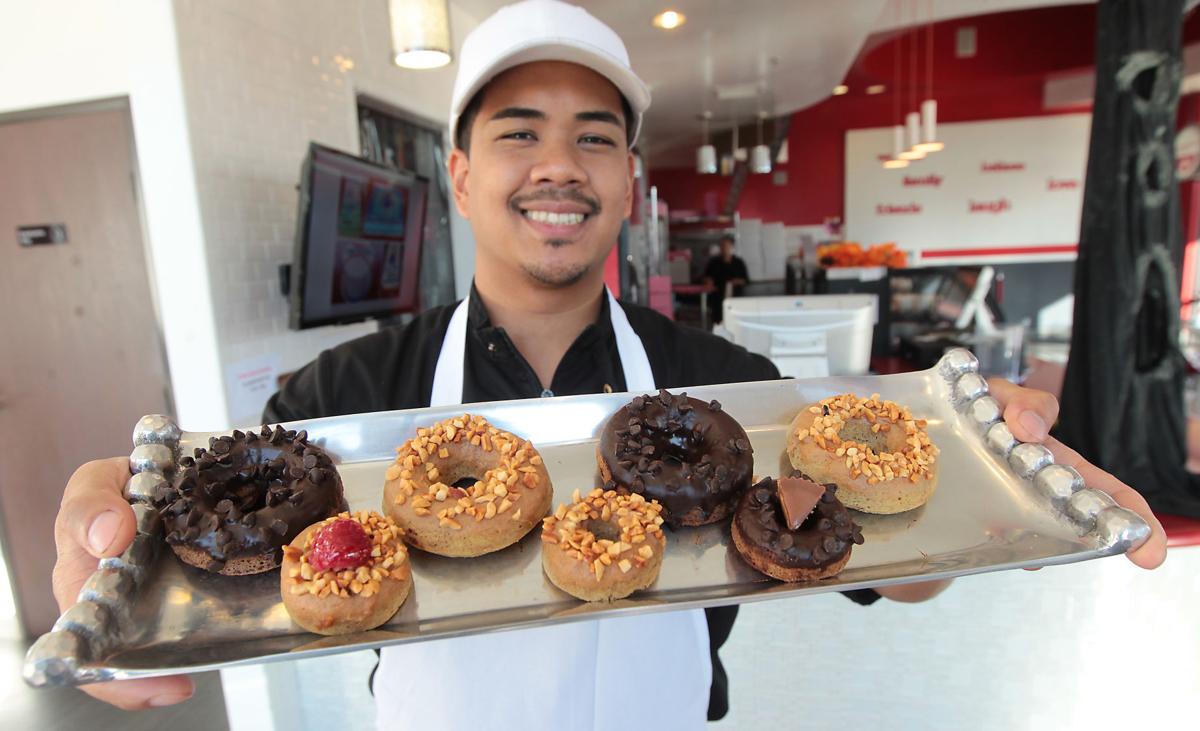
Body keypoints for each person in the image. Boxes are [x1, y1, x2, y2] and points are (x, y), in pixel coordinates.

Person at [51, 1, 1166, 728]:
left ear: (629, 179)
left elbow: (896, 561)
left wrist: (993, 484)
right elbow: (201, 519)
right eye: (518, 131)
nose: (558, 166)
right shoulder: (347, 398)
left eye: (594, 136)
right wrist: (108, 533)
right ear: (456, 169)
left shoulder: (721, 384)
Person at [702, 234, 749, 323]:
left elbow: (746, 280)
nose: (724, 248)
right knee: (718, 322)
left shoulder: (738, 262)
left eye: (726, 246)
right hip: (718, 298)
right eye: (722, 246)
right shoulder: (714, 262)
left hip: (735, 298)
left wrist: (737, 281)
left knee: (735, 321)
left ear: (732, 247)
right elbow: (706, 277)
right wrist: (708, 281)